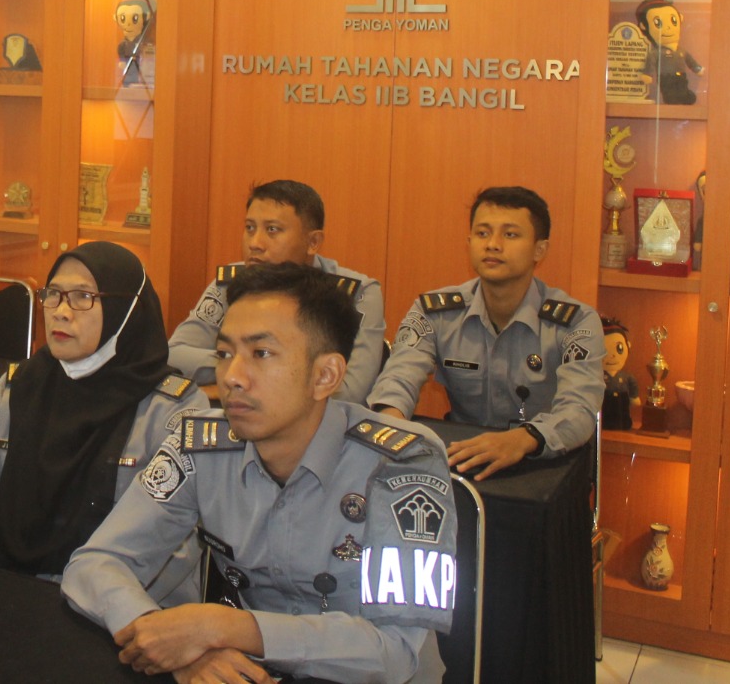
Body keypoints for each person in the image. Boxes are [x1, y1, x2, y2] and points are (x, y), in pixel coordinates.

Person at [63, 263, 456, 684]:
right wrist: (167, 641)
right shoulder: (198, 447)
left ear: (325, 375)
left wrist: (227, 628)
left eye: (261, 354)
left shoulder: (404, 463)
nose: (232, 377)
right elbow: (94, 564)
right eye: (224, 354)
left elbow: (396, 652)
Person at [0, 241, 208, 599]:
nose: (61, 312)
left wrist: (72, 604)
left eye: (82, 297)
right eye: (54, 294)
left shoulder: (173, 410)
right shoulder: (17, 389)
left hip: (115, 610)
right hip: (1, 591)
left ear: (125, 310)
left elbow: (172, 546)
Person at [367, 186, 605, 480]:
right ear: (469, 243)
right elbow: (399, 378)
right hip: (463, 461)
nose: (492, 245)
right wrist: (390, 423)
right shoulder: (434, 312)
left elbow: (579, 410)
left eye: (510, 234)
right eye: (482, 233)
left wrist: (523, 439)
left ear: (539, 249)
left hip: (540, 464)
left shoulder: (576, 322)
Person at [169, 180, 386, 404]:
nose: (255, 243)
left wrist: (242, 373)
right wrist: (245, 364)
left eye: (272, 230)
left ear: (313, 242)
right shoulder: (230, 283)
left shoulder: (357, 294)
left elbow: (349, 392)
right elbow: (175, 353)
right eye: (250, 228)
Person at [636, 0, 702, 105]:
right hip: (666, 77)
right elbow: (650, 63)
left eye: (674, 21)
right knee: (669, 91)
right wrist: (647, 74)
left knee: (682, 85)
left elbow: (691, 61)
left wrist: (698, 69)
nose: (668, 27)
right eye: (658, 23)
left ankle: (684, 95)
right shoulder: (656, 52)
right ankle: (672, 99)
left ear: (680, 19)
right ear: (644, 26)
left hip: (681, 75)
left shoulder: (681, 51)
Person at [600, 319, 638, 432]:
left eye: (619, 349)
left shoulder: (626, 376)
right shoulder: (597, 376)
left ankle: (624, 424)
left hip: (622, 399)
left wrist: (634, 397)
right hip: (604, 399)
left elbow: (633, 384)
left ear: (628, 346)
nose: (611, 355)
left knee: (623, 413)